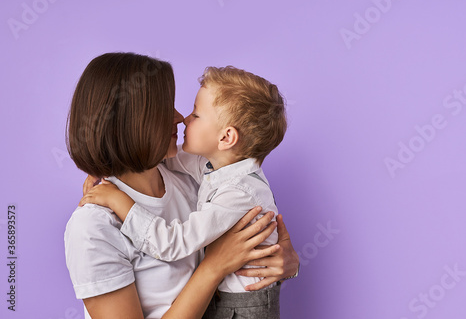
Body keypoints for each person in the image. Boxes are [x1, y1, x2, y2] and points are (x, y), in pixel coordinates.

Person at [64, 52, 299, 319]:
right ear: (131, 123)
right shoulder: (93, 227)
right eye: (165, 108)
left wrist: (285, 262)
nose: (180, 117)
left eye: (195, 114)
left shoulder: (194, 182)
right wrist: (214, 267)